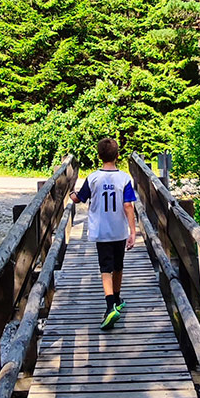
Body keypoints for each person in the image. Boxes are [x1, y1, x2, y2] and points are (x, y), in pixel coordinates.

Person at [70, 137, 137, 330]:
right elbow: (128, 206)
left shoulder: (93, 178)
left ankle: (110, 307)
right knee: (118, 266)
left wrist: (71, 195)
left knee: (105, 268)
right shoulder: (124, 178)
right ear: (118, 156)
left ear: (99, 156)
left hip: (101, 230)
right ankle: (116, 298)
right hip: (119, 230)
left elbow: (79, 198)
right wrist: (133, 231)